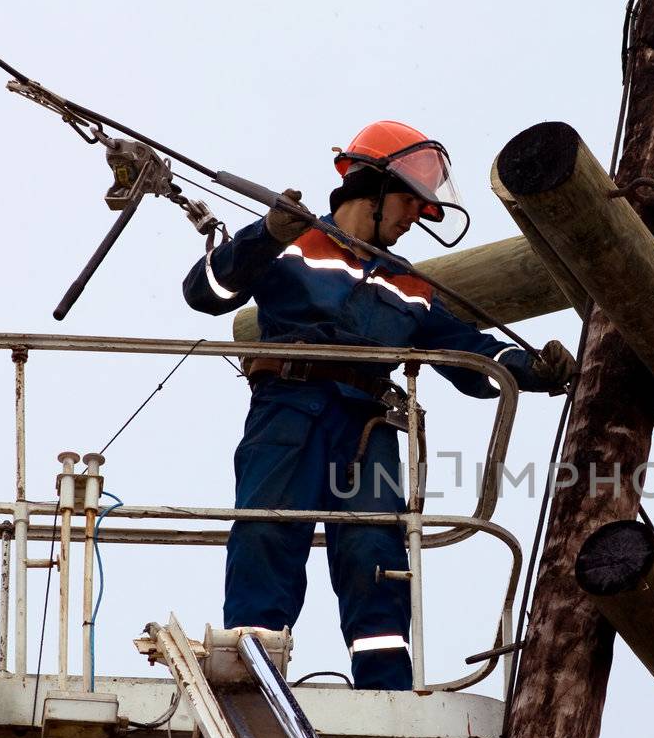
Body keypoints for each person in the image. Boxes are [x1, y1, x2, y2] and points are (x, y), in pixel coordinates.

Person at [183, 120, 576, 690]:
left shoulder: (408, 285)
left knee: (376, 551)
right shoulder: (291, 240)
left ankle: (386, 686)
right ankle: (251, 674)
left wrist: (533, 370)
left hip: (367, 426)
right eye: (410, 202)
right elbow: (207, 292)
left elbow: (467, 352)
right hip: (289, 412)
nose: (415, 217)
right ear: (372, 186)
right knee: (268, 533)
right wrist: (264, 233)